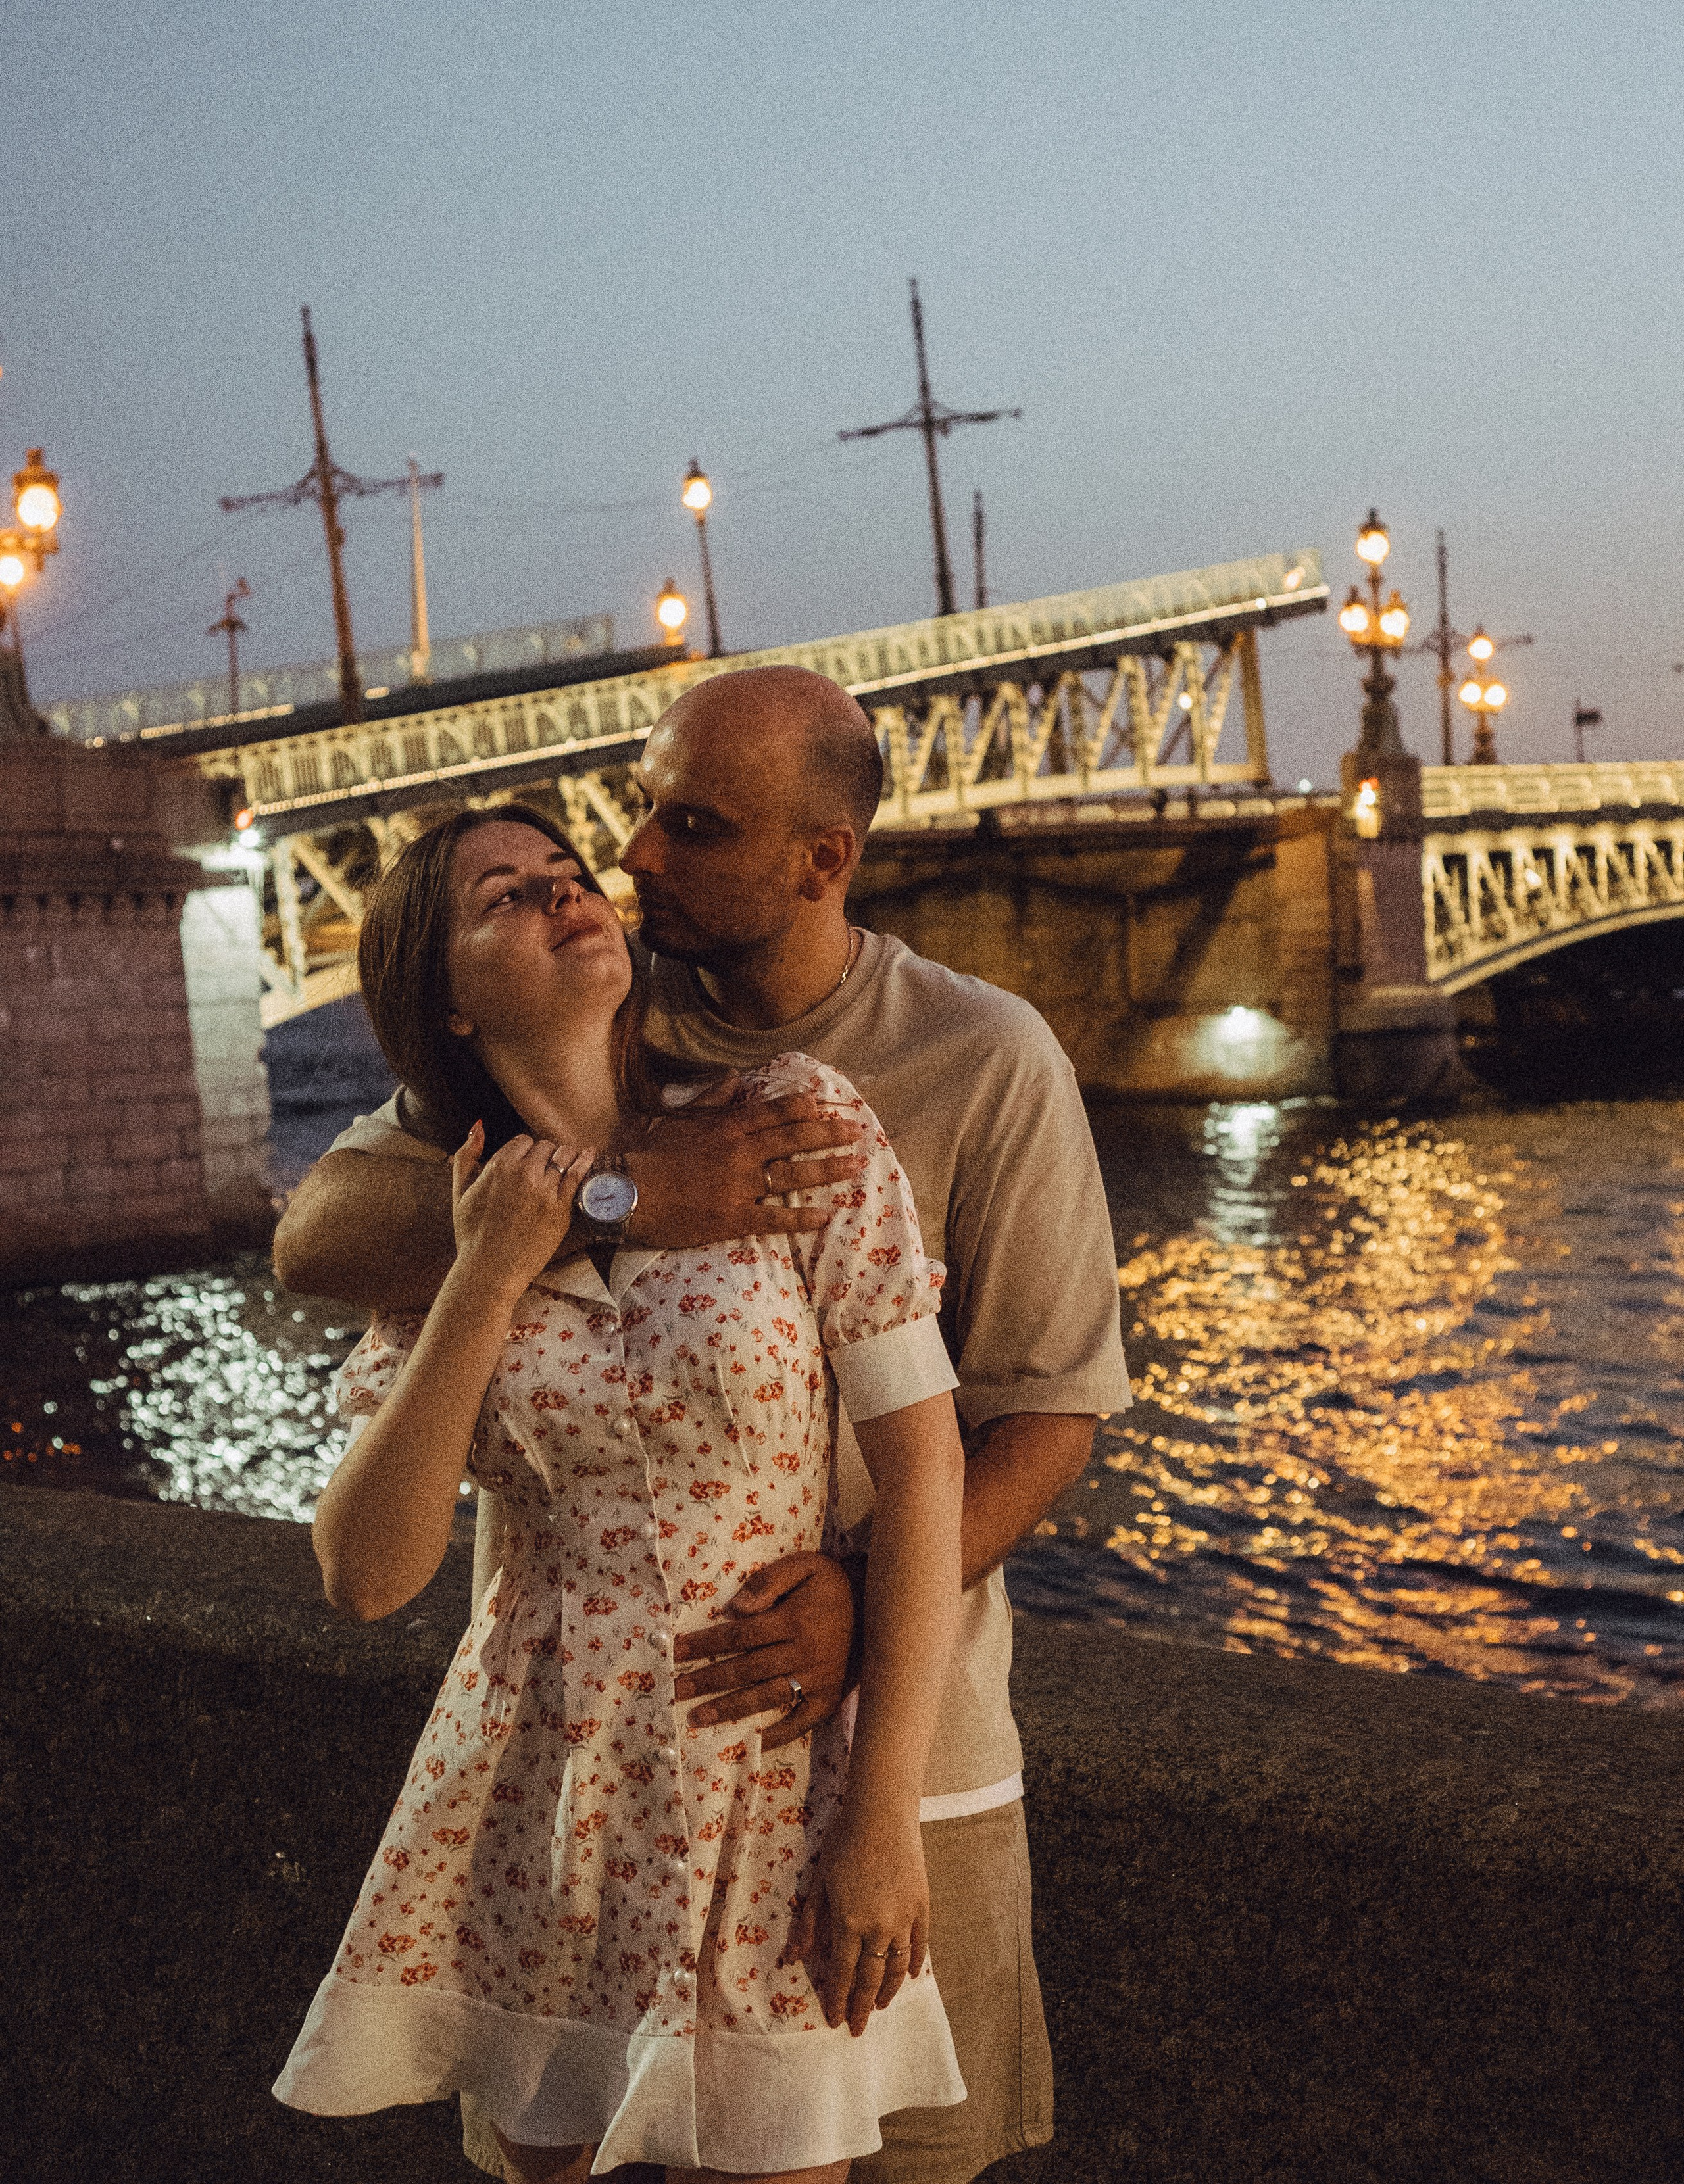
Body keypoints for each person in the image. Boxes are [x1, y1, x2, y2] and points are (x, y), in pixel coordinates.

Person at [274, 664, 1131, 2184]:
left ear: (821, 862)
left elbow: (1040, 1419)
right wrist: (625, 1200)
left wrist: (862, 1615)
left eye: (687, 827)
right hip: (568, 1792)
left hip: (891, 1755)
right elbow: (323, 1237)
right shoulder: (569, 1046)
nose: (624, 868)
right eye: (628, 821)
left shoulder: (967, 1058)